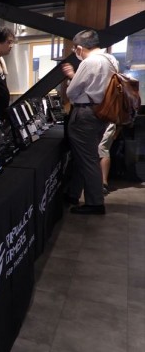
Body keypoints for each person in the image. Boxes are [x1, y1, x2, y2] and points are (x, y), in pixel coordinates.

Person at [61, 29, 118, 215]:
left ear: (79, 48)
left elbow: (72, 92)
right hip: (102, 112)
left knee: (87, 159)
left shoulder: (89, 62)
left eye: (75, 49)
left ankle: (95, 203)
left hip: (85, 113)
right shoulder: (111, 60)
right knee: (85, 155)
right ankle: (73, 193)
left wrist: (73, 80)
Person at [99, 123, 119, 195]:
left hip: (108, 122)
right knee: (100, 148)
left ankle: (104, 182)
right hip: (94, 122)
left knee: (102, 148)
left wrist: (118, 130)